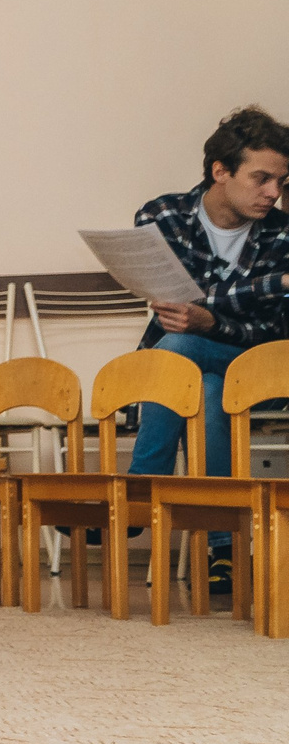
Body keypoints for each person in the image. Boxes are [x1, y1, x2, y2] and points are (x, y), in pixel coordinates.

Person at [130, 108, 289, 487]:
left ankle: (139, 490)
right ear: (220, 171)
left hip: (261, 371)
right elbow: (179, 302)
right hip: (188, 370)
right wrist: (275, 283)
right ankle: (220, 522)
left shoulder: (283, 233)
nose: (274, 193)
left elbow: (269, 333)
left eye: (281, 181)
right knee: (209, 388)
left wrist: (211, 323)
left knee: (178, 344)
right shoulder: (162, 216)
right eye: (261, 179)